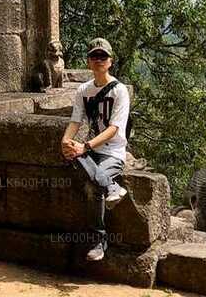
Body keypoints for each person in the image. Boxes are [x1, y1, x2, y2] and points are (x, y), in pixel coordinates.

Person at [60, 37, 130, 262]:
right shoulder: (83, 90)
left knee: (93, 187)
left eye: (103, 56)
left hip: (113, 153)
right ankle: (111, 185)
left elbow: (114, 129)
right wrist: (66, 142)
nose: (99, 60)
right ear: (88, 62)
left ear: (110, 61)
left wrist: (85, 145)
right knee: (73, 156)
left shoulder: (119, 91)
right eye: (95, 56)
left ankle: (98, 241)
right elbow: (75, 121)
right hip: (91, 153)